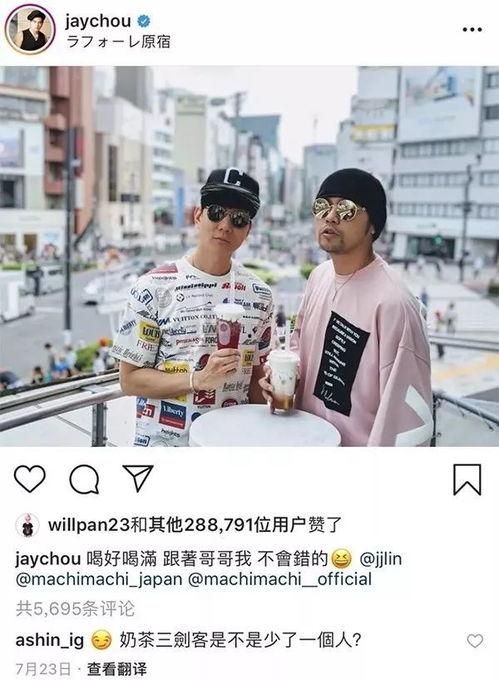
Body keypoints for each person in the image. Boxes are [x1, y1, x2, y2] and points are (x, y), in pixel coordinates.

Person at [260, 168, 432, 446]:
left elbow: (407, 422)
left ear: (373, 225)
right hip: (303, 444)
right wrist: (284, 376)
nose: (330, 216)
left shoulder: (394, 304)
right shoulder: (319, 276)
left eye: (346, 209)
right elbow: (299, 345)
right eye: (322, 206)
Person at [110, 168, 274, 447]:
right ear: (198, 216)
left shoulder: (259, 295)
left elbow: (256, 379)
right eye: (216, 212)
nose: (225, 225)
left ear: (248, 230)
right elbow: (130, 380)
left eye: (238, 218)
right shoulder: (153, 287)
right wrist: (198, 380)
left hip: (231, 446)